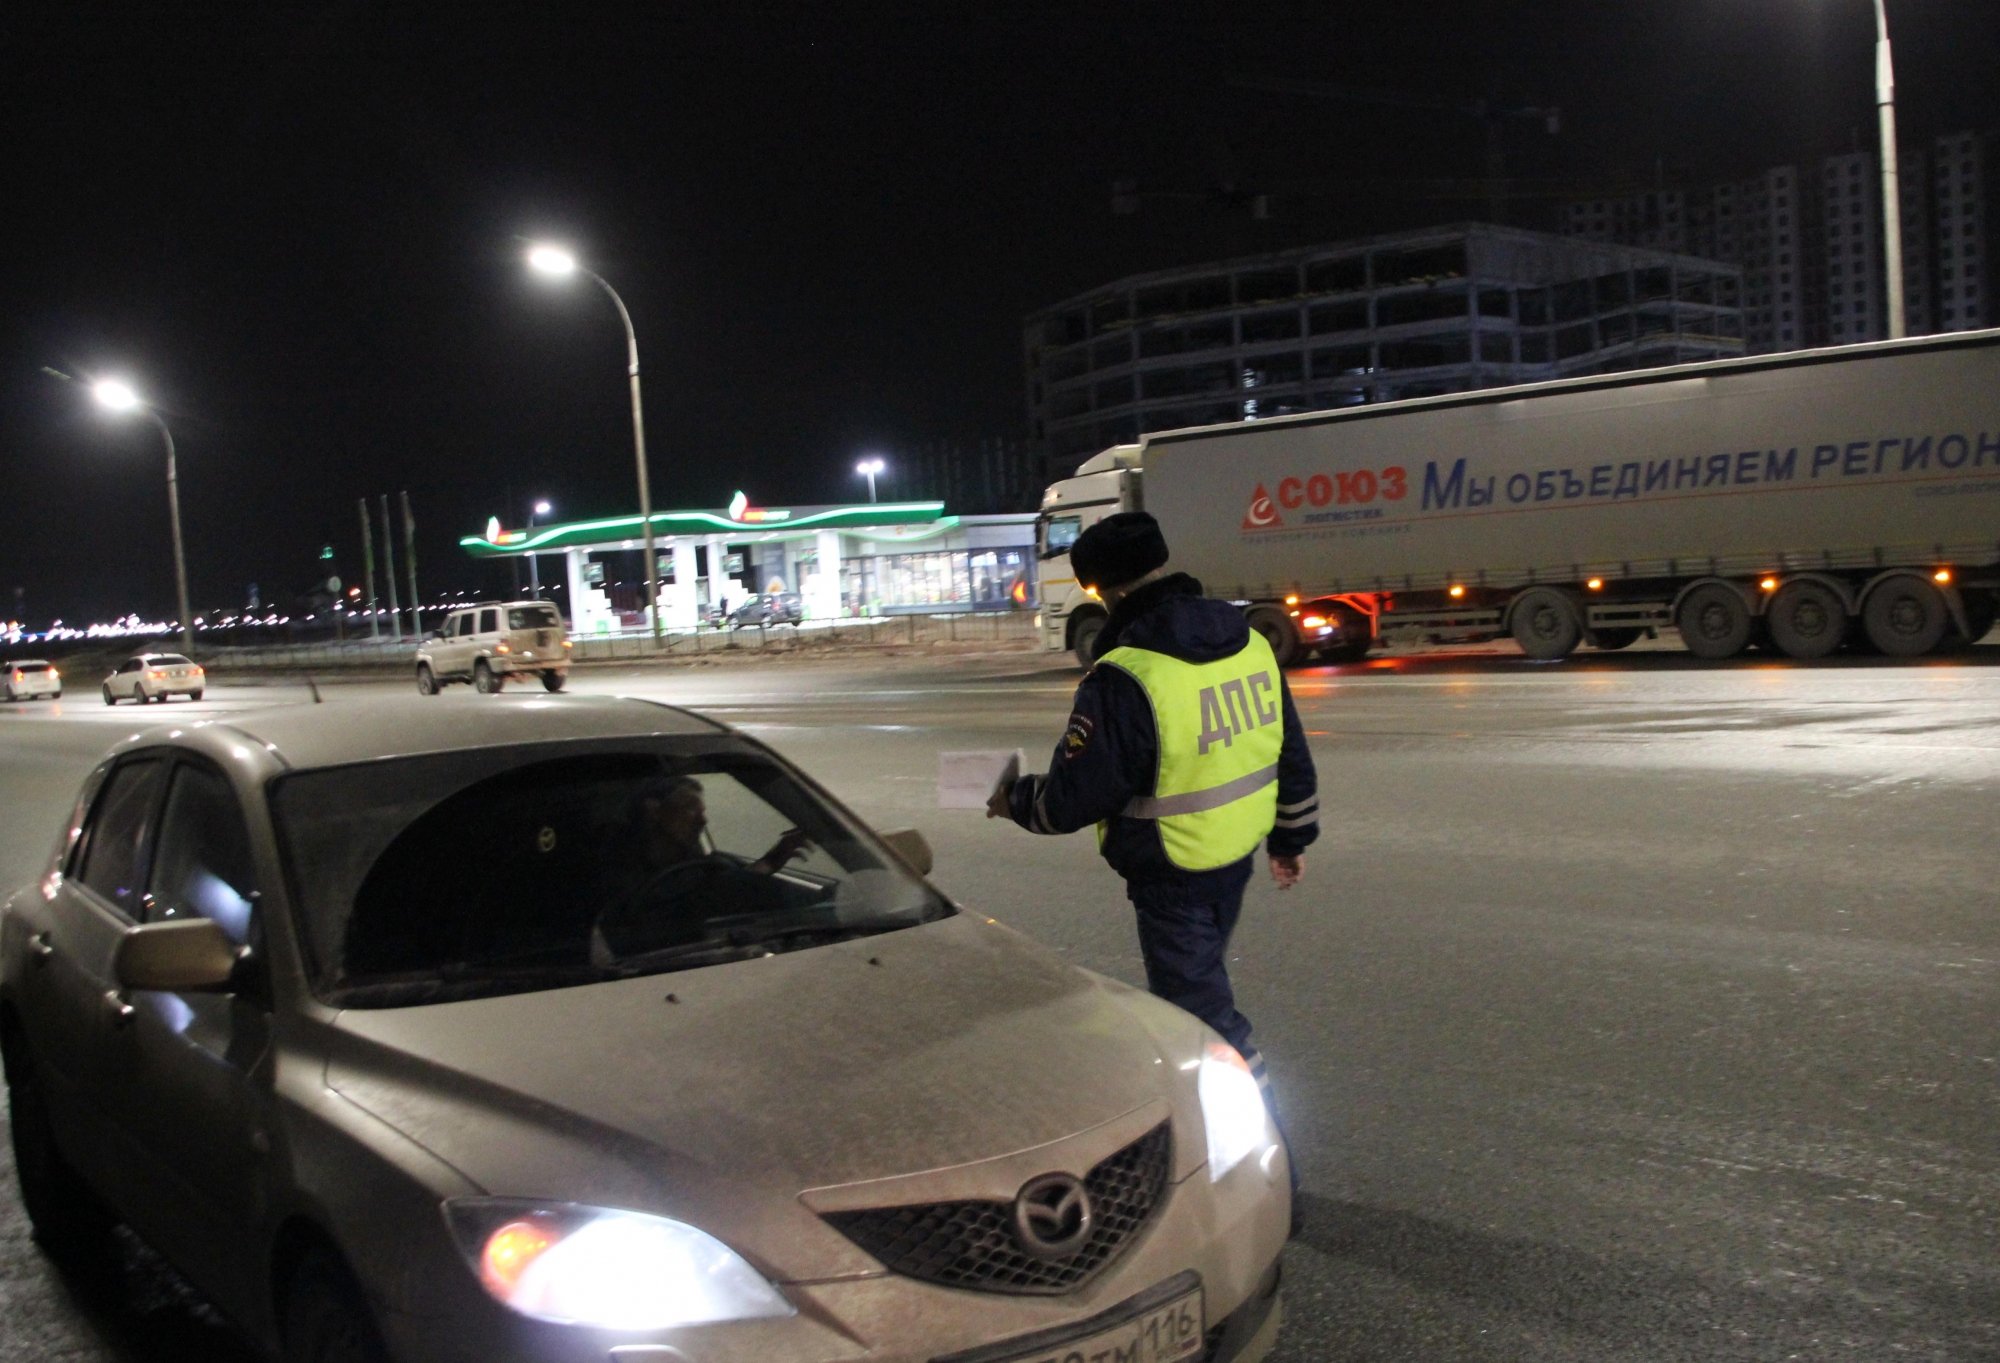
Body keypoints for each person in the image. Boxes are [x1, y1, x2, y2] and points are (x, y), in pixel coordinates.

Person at [986, 511, 1318, 1187]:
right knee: (1199, 1007)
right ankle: (1229, 1152)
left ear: (1100, 590)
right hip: (1233, 857)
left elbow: (1075, 799)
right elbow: (1290, 751)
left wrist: (1012, 799)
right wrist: (1289, 837)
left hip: (1171, 872)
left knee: (1207, 1024)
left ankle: (1268, 1168)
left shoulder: (1123, 674)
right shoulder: (1248, 640)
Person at [595, 774, 809, 957]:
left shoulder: (701, 864)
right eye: (690, 808)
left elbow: (734, 886)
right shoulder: (614, 873)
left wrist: (773, 859)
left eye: (702, 811)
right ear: (653, 811)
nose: (703, 820)